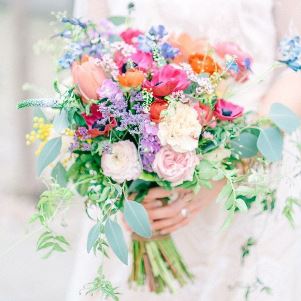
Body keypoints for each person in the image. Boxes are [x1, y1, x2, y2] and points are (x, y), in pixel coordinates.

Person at [67, 1, 301, 300]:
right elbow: (85, 51)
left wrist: (225, 169)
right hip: (132, 175)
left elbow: (296, 64)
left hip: (248, 169)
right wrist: (128, 165)